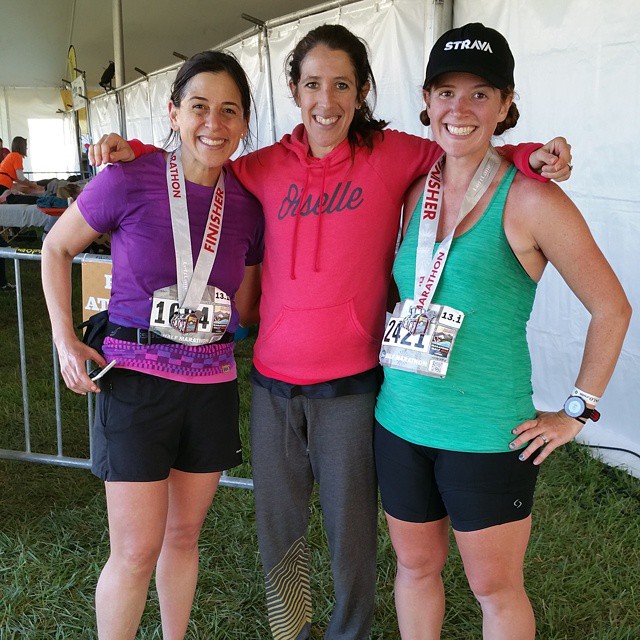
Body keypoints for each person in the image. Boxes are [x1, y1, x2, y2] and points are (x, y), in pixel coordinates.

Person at [89, 24, 573, 640]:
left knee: (351, 531)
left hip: (351, 388)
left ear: (362, 90)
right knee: (280, 526)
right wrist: (131, 147)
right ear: (294, 90)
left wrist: (532, 152)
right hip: (271, 385)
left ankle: (350, 632)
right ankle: (289, 631)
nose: (327, 100)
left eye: (342, 85)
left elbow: (467, 145)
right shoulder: (261, 168)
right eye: (313, 84)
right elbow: (199, 159)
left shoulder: (396, 154)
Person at [373, 23, 631, 639]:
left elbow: (612, 308)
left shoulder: (533, 199)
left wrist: (578, 410)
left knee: (495, 589)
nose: (459, 110)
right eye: (446, 92)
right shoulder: (411, 189)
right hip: (399, 421)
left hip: (487, 434)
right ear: (427, 99)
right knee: (414, 567)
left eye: (481, 94)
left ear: (506, 104)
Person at [41, 51, 264, 640]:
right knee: (135, 550)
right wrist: (65, 338)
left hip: (211, 387)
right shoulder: (127, 179)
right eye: (198, 107)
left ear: (244, 123)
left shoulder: (246, 203)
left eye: (228, 111)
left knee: (183, 538)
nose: (212, 123)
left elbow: (249, 302)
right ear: (173, 112)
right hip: (136, 385)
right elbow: (56, 249)